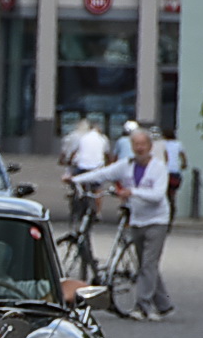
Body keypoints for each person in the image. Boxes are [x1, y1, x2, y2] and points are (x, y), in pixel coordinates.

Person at [68, 128, 173, 320]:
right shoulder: (126, 165)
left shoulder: (158, 168)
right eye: (136, 145)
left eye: (143, 144)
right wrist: (75, 179)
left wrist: (132, 193)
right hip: (137, 219)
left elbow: (158, 195)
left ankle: (143, 305)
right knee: (146, 264)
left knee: (148, 264)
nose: (140, 148)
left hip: (157, 220)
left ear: (150, 147)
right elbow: (102, 173)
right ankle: (164, 303)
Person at [160, 127, 186, 224]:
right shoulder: (178, 144)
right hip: (175, 171)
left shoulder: (162, 144)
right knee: (173, 192)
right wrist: (183, 164)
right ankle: (172, 207)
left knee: (162, 192)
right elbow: (183, 156)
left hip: (164, 172)